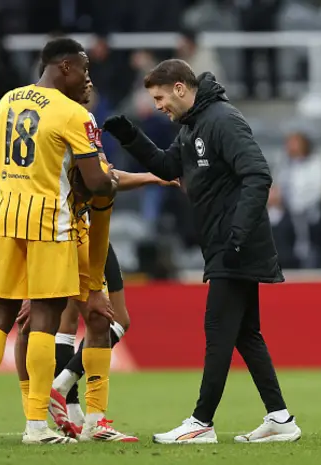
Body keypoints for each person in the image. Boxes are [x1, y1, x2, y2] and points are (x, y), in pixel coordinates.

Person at [104, 59, 301, 444]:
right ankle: (280, 419)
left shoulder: (222, 119)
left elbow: (258, 174)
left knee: (217, 329)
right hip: (225, 243)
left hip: (235, 245)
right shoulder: (194, 124)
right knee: (246, 333)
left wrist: (238, 234)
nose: (159, 105)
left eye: (160, 97)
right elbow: (166, 166)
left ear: (180, 88)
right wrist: (130, 135)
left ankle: (201, 422)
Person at [0, 37, 118, 446]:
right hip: (51, 222)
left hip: (8, 218)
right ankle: (35, 427)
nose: (87, 78)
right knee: (44, 319)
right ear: (64, 67)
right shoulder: (73, 113)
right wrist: (110, 181)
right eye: (83, 69)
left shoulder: (7, 101)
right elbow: (95, 183)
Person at [13, 80, 174, 442]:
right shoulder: (76, 121)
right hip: (79, 232)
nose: (90, 84)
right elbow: (104, 180)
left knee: (67, 321)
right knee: (100, 319)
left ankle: (67, 408)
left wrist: (151, 177)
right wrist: (154, 176)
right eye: (85, 78)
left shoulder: (50, 124)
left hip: (58, 230)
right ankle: (71, 402)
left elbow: (102, 176)